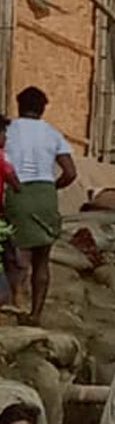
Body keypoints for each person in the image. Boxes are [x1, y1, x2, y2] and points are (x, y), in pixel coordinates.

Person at [5, 87, 76, 324]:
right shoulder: (53, 134)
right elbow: (70, 173)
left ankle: (16, 304)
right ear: (43, 108)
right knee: (42, 259)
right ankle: (35, 314)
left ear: (18, 105)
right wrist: (52, 187)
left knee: (14, 253)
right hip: (45, 193)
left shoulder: (8, 130)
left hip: (17, 191)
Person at [0, 118, 21, 307]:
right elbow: (14, 182)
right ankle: (9, 297)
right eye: (3, 133)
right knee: (8, 256)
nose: (5, 138)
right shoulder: (2, 157)